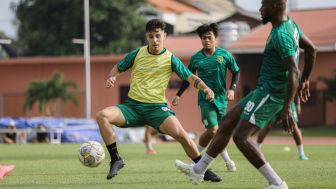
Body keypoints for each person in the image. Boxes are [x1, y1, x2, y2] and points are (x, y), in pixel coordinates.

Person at [175, 0, 316, 188]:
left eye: (263, 5)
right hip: (263, 89)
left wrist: (287, 108)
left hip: (271, 92)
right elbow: (311, 49)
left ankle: (277, 183)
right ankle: (199, 170)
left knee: (240, 138)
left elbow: (293, 71)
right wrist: (306, 79)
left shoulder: (282, 34)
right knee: (226, 123)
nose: (260, 9)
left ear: (274, 6)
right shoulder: (290, 24)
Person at [96, 19, 221, 182]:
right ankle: (116, 159)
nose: (154, 40)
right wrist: (112, 77)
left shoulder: (170, 59)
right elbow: (118, 68)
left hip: (157, 110)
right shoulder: (137, 53)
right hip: (132, 107)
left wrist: (205, 88)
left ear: (164, 35)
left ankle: (202, 169)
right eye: (151, 36)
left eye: (157, 36)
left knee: (182, 135)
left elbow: (190, 77)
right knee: (102, 116)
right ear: (146, 37)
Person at [172, 23, 239, 172]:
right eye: (203, 38)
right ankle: (193, 160)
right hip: (205, 99)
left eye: (209, 37)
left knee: (221, 132)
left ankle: (228, 161)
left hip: (222, 99)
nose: (206, 40)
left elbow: (236, 72)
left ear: (216, 39)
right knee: (213, 130)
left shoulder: (224, 55)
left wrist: (232, 89)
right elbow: (188, 78)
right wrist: (178, 95)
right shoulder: (196, 58)